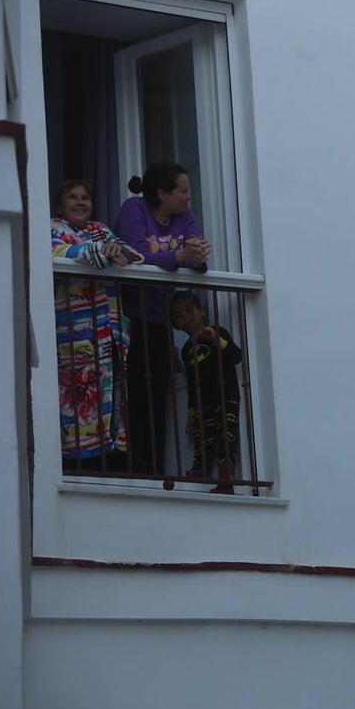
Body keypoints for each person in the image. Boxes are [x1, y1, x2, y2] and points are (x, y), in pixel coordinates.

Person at [115, 162, 211, 474]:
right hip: (130, 318)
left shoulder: (183, 216)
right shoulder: (135, 209)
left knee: (157, 396)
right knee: (133, 397)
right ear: (161, 193)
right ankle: (130, 466)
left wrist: (197, 256)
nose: (188, 197)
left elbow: (194, 256)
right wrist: (178, 257)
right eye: (183, 191)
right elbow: (134, 256)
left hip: (159, 319)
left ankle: (153, 469)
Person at [51, 179, 143, 470]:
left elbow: (133, 255)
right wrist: (104, 253)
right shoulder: (54, 228)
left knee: (110, 402)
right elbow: (61, 253)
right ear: (60, 204)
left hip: (107, 334)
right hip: (72, 339)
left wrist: (115, 251)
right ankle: (74, 468)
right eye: (72, 197)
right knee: (74, 403)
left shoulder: (100, 230)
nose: (80, 202)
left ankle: (109, 463)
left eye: (85, 198)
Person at [171, 290, 243, 494]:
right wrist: (192, 412)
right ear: (176, 325)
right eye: (178, 315)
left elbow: (236, 356)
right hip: (204, 403)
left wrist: (216, 339)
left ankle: (226, 482)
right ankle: (199, 471)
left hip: (225, 397)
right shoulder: (186, 351)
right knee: (205, 438)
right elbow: (193, 384)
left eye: (188, 310)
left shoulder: (218, 331)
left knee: (226, 438)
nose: (185, 317)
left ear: (201, 311)